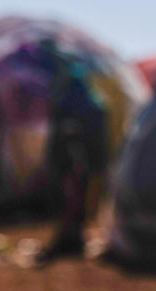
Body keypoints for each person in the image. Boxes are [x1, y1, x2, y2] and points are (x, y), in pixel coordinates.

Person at [37, 40, 109, 262]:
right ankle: (71, 235)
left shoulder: (73, 86)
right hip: (77, 150)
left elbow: (77, 120)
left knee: (73, 192)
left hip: (76, 151)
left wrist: (71, 137)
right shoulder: (74, 85)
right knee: (72, 192)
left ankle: (72, 236)